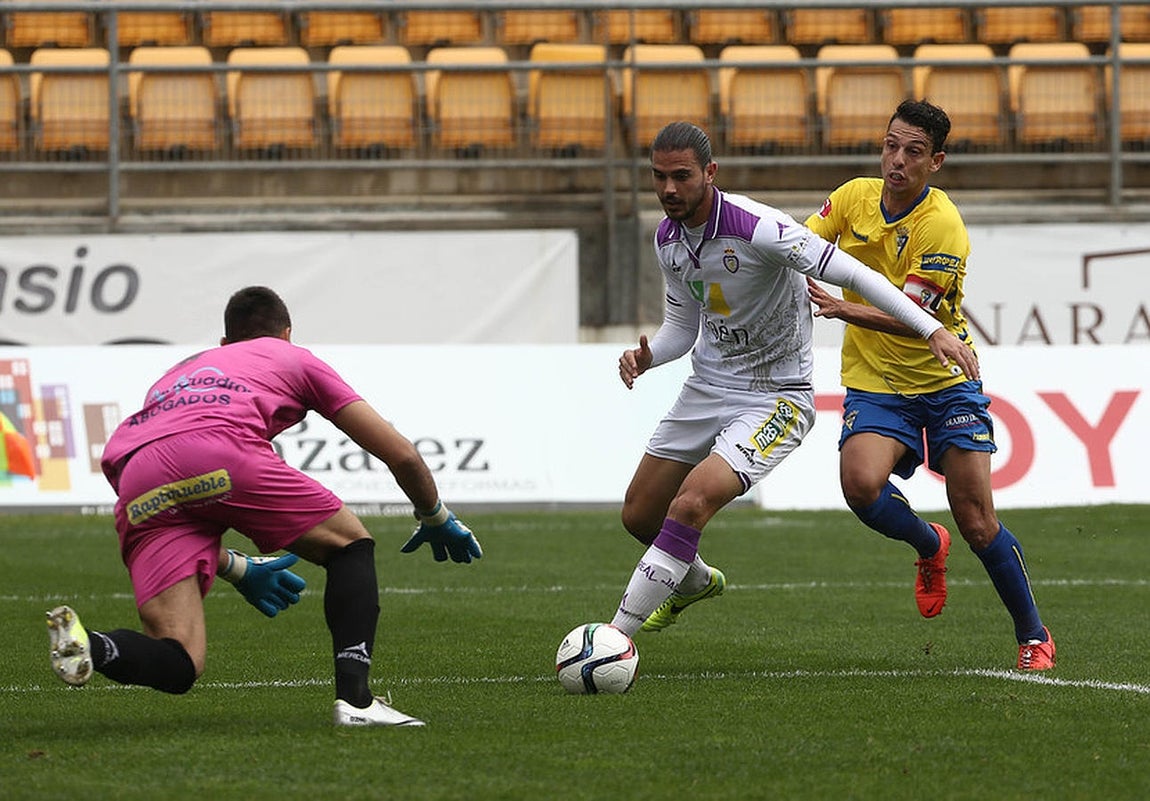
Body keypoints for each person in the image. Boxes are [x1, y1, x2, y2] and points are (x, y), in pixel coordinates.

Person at [44, 285, 483, 726]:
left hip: (137, 478)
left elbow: (177, 484)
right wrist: (434, 514)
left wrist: (237, 567)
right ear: (287, 334)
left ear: (224, 343)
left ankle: (92, 645)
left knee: (180, 662)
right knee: (349, 544)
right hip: (218, 450)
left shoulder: (177, 372)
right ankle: (357, 701)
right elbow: (401, 454)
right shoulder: (292, 357)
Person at [609, 121, 977, 644]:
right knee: (639, 515)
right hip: (707, 387)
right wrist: (649, 358)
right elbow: (683, 329)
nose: (669, 189)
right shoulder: (667, 237)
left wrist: (932, 328)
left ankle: (614, 637)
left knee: (690, 504)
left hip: (776, 396)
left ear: (709, 174)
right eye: (659, 177)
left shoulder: (759, 228)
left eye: (682, 177)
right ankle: (693, 582)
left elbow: (858, 276)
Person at [804, 99, 1055, 670]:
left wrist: (843, 309)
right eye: (891, 145)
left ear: (935, 161)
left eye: (913, 152)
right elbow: (799, 243)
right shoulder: (852, 198)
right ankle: (927, 544)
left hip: (944, 379)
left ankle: (1033, 635)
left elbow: (916, 318)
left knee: (975, 517)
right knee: (860, 486)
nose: (897, 160)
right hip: (876, 380)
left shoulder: (941, 224)